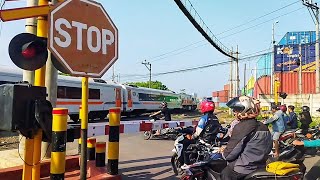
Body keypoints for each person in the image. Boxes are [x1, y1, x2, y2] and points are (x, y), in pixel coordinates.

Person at [219, 96, 272, 180]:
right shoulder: (263, 127)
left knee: (224, 172)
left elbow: (228, 155)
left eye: (236, 110)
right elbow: (268, 148)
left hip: (243, 169)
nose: (234, 112)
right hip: (261, 167)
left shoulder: (241, 127)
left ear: (244, 110)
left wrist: (223, 151)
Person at [181, 99, 222, 168]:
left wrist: (192, 137)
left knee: (185, 144)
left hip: (203, 141)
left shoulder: (204, 118)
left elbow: (198, 131)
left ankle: (186, 165)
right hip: (213, 141)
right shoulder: (215, 118)